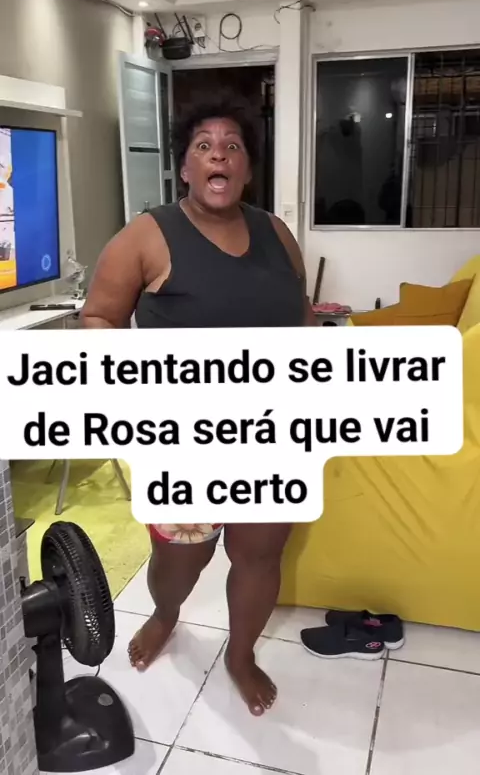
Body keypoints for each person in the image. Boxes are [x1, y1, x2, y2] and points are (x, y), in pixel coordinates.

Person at [81, 98, 316, 716]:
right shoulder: (147, 234)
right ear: (185, 168)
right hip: (184, 437)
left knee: (260, 554)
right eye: (204, 145)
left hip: (272, 434)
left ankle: (240, 654)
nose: (220, 154)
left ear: (247, 169)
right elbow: (99, 318)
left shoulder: (277, 233)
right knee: (180, 558)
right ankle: (166, 612)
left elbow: (302, 318)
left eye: (233, 146)